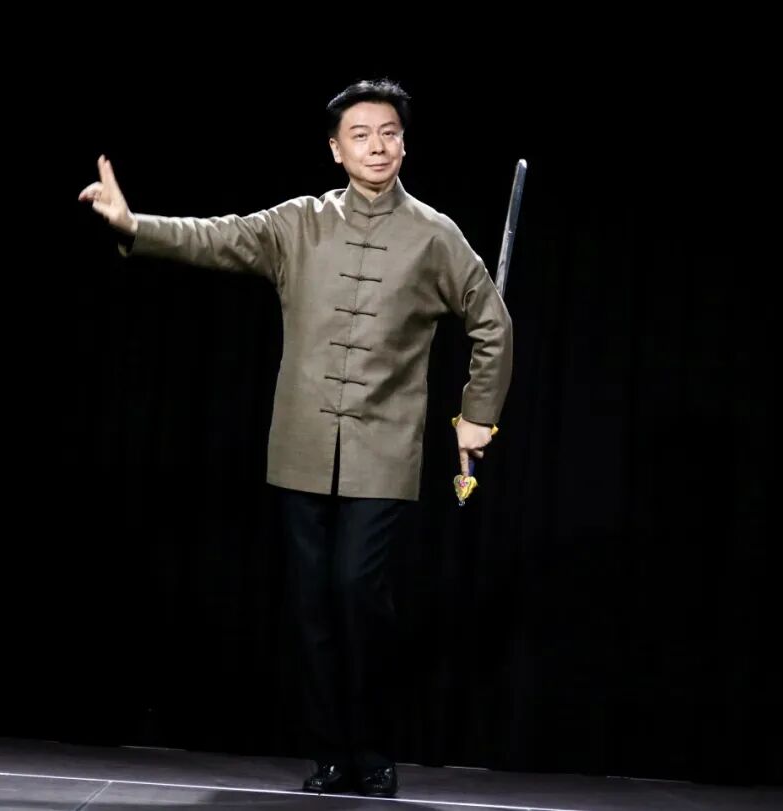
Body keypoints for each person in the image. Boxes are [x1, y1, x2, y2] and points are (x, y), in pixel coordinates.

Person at [78, 78, 512, 797]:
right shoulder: (298, 223)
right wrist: (134, 224)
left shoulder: (435, 235)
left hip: (385, 450)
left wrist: (476, 414)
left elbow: (492, 323)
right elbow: (215, 237)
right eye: (361, 135)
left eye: (390, 133)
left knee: (357, 591)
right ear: (336, 149)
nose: (378, 146)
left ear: (405, 144)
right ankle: (330, 753)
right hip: (302, 444)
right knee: (313, 606)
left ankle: (373, 748)